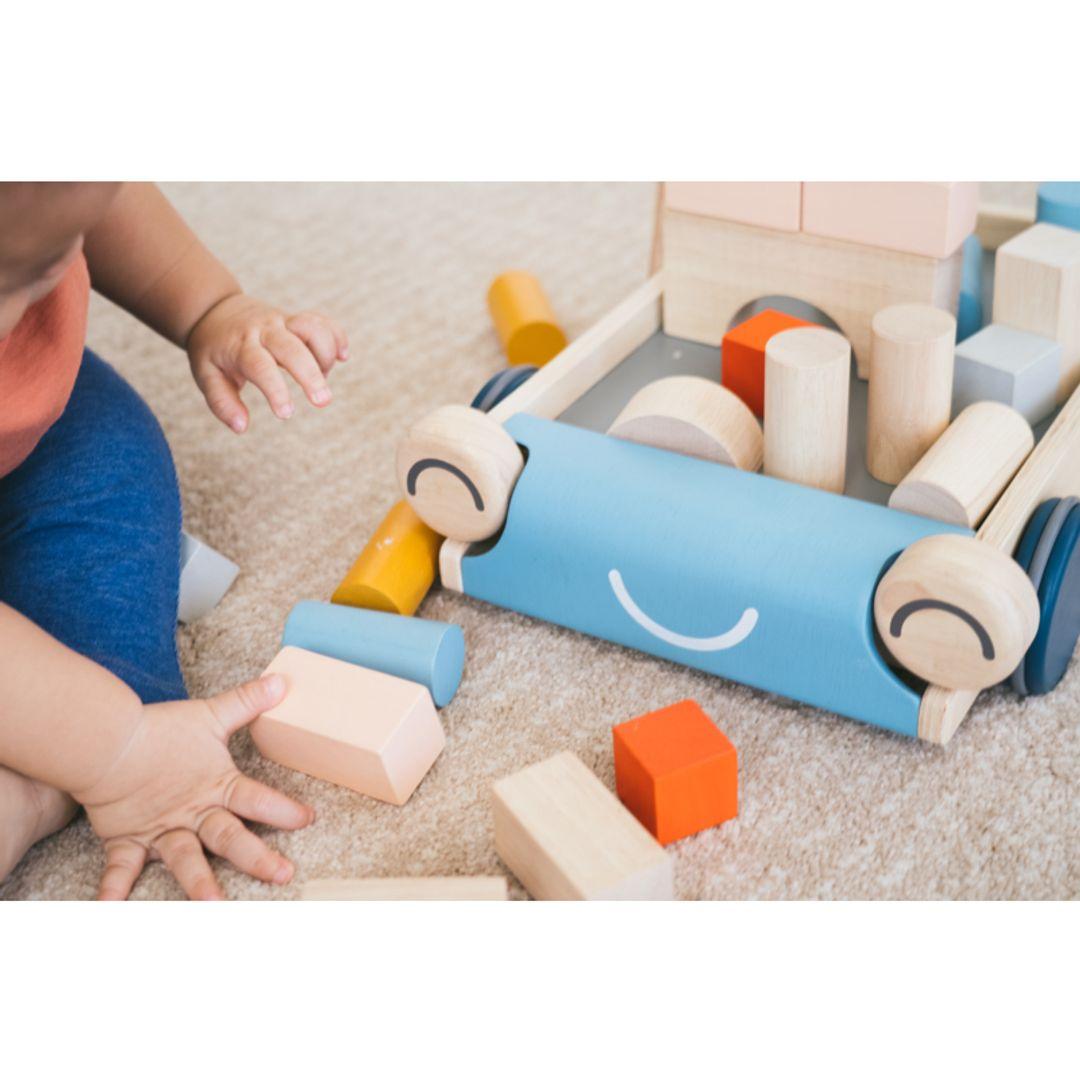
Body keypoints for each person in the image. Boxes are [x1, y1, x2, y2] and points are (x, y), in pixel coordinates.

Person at [0, 182, 349, 899]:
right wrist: (118, 753)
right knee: (88, 724)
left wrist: (209, 307)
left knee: (110, 464)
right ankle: (35, 791)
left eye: (48, 264)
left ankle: (74, 724)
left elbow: (95, 197)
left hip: (26, 420)